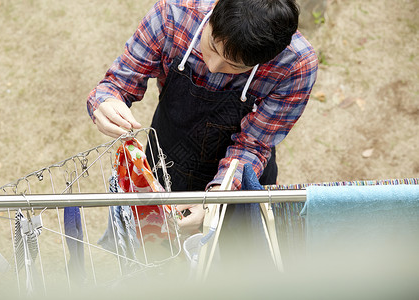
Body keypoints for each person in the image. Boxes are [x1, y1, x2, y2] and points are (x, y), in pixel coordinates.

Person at [87, 0, 318, 233]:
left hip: (239, 177)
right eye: (213, 46)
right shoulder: (173, 14)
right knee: (158, 245)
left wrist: (216, 200)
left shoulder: (296, 65)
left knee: (238, 255)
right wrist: (106, 101)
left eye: (235, 65)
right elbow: (117, 82)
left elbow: (253, 145)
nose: (214, 65)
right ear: (213, 16)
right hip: (167, 158)